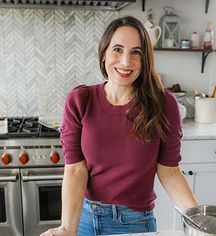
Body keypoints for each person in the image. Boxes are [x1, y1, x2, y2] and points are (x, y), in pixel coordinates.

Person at [40, 15, 197, 236]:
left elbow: (170, 172)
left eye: (136, 52)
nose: (125, 62)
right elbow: (76, 169)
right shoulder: (80, 100)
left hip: (135, 222)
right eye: (118, 50)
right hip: (83, 219)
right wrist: (67, 228)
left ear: (145, 60)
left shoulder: (164, 104)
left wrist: (200, 222)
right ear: (104, 54)